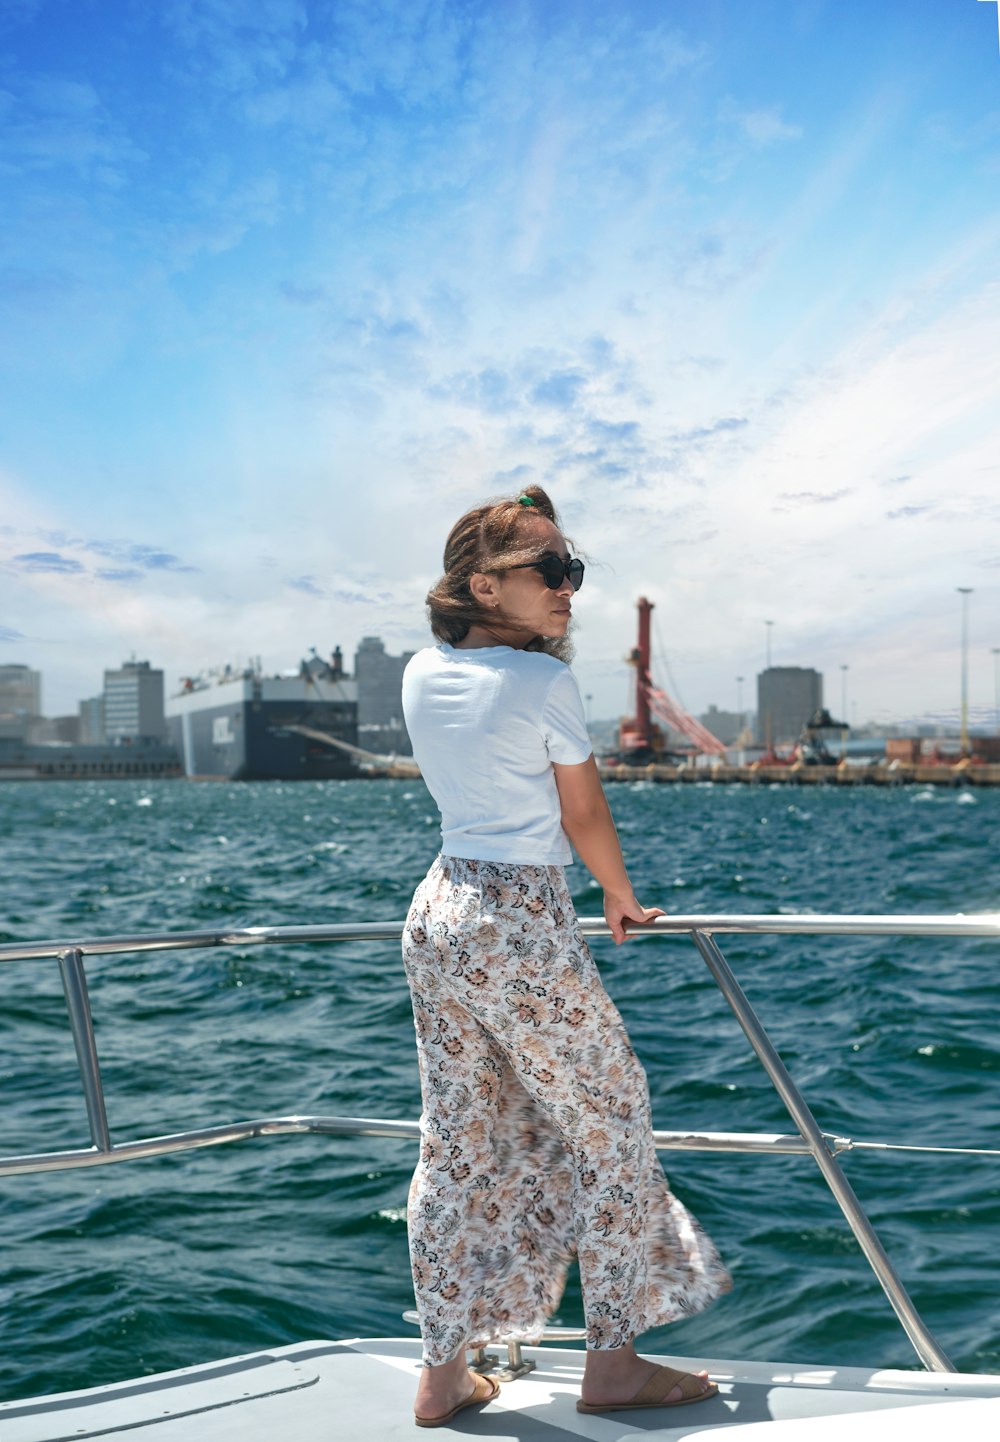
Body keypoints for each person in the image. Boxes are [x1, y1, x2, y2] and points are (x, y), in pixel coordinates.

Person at [400, 486, 731, 1428]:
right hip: (519, 916)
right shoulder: (544, 683)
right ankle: (614, 1364)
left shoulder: (423, 672)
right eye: (547, 570)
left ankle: (444, 1375)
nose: (567, 588)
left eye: (571, 569)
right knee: (614, 1131)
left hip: (439, 912)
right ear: (481, 584)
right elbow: (582, 810)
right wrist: (620, 897)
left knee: (455, 1144)